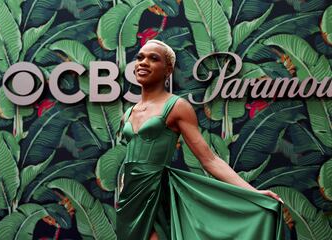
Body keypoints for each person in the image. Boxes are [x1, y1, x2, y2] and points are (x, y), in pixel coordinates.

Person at [115, 39, 284, 240]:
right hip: (129, 198)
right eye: (140, 57)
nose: (143, 62)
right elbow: (132, 156)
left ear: (168, 69)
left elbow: (209, 159)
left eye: (153, 58)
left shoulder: (177, 106)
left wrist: (253, 192)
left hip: (156, 194)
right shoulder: (128, 113)